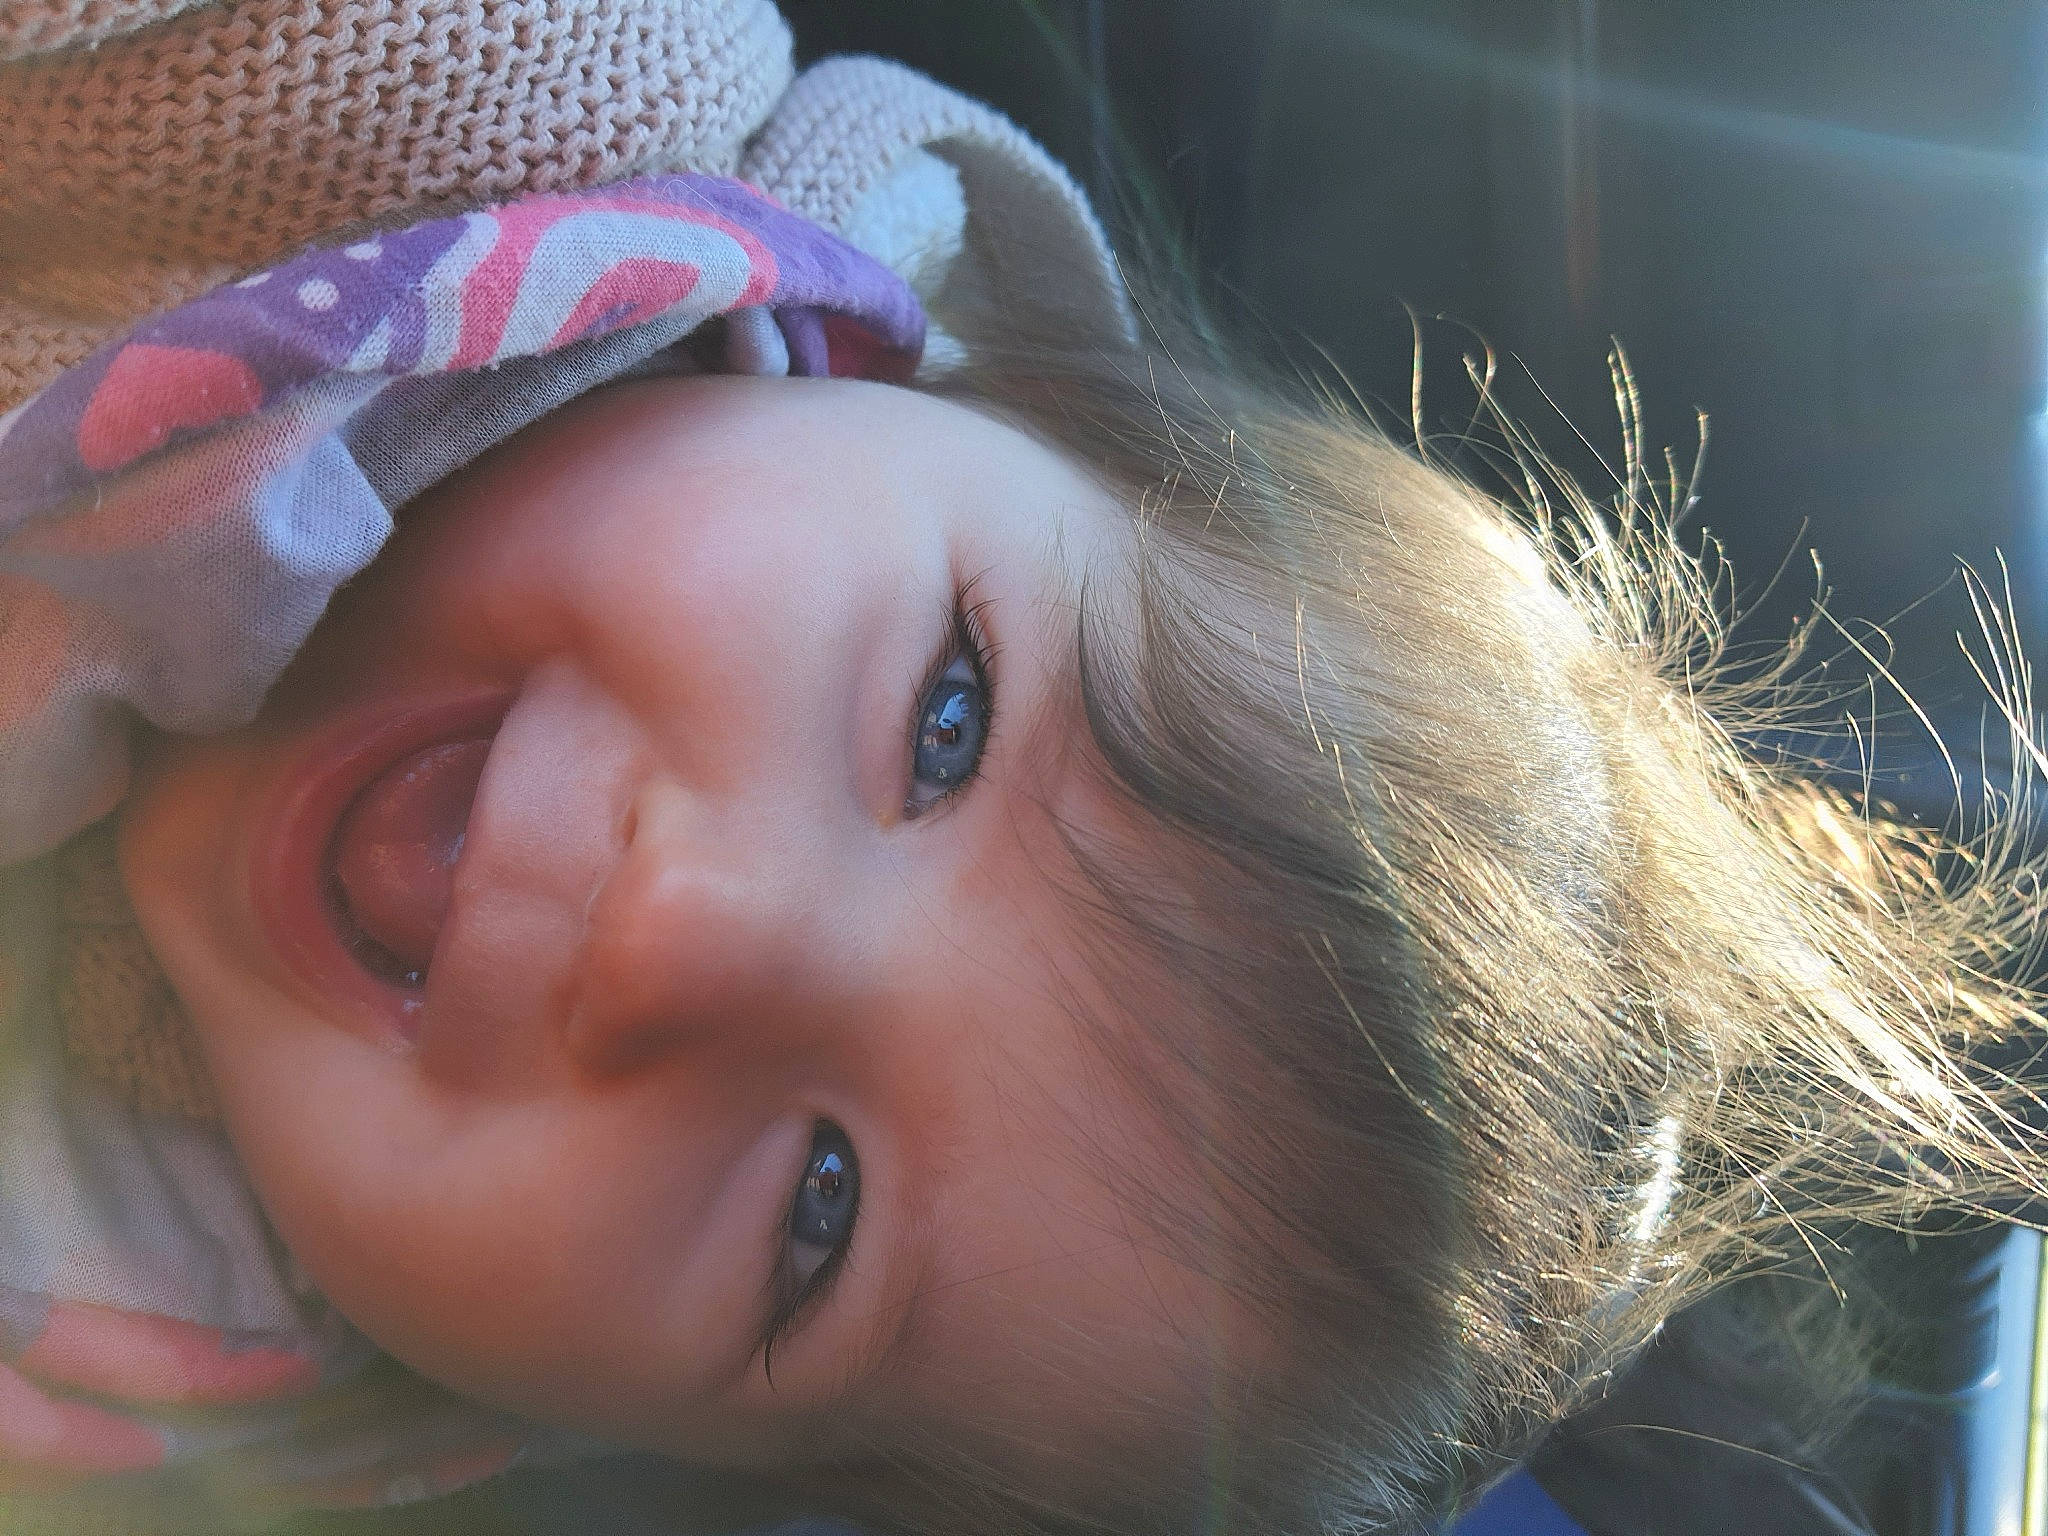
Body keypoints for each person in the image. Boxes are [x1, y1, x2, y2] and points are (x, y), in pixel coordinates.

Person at [2, 4, 2044, 1533]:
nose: (688, 932)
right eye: (944, 720)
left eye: (821, 1213)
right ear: (975, 381)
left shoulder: (150, 1364)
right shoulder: (452, 90)